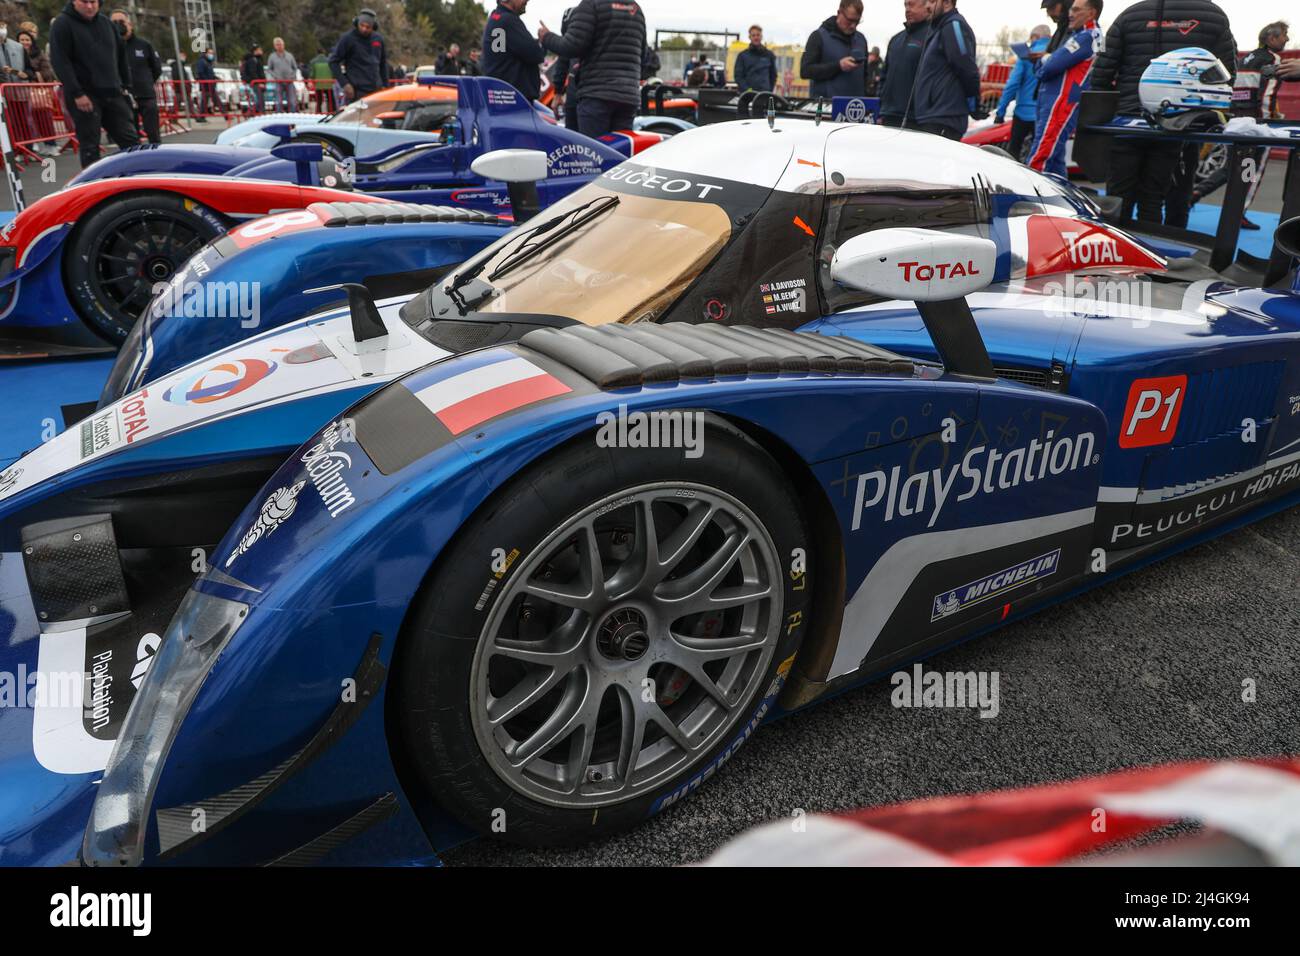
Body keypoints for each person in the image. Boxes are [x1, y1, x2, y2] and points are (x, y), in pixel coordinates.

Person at [1091, 0, 1237, 224]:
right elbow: (1226, 78)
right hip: (1182, 124)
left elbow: (1100, 76)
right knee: (1159, 199)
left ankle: (1115, 254)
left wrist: (1122, 107)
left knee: (1118, 200)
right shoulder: (1213, 14)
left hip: (1128, 121)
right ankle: (1162, 254)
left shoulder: (1130, 14)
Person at [1191, 21, 1291, 226]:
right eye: (1284, 35)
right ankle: (1239, 213)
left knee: (1231, 167)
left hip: (1236, 121)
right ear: (1271, 39)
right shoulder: (1273, 60)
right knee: (1252, 171)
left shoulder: (1246, 58)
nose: (1287, 39)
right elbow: (1266, 96)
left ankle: (1197, 191)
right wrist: (1269, 123)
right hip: (1256, 126)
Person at [48, 0, 137, 169]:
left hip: (113, 93)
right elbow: (60, 61)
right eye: (84, 2)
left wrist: (126, 85)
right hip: (85, 96)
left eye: (93, 2)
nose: (89, 6)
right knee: (90, 147)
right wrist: (77, 93)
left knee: (131, 140)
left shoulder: (106, 24)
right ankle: (93, 189)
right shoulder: (62, 24)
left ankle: (140, 178)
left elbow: (121, 56)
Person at [538, 0, 646, 139]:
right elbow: (643, 55)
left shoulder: (591, 4)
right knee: (620, 155)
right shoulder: (636, 8)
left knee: (592, 155)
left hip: (597, 95)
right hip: (628, 97)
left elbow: (571, 46)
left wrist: (546, 37)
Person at [1026, 0, 1102, 176]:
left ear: (1091, 13)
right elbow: (1048, 65)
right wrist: (1046, 59)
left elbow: (1050, 67)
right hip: (1054, 100)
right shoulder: (1081, 34)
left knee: (1040, 156)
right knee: (1056, 160)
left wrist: (1044, 58)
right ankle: (1062, 201)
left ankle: (1026, 199)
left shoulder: (1087, 36)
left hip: (1061, 102)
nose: (1070, 14)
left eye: (1076, 10)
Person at [911, 0, 981, 140]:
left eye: (932, 1)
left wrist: (974, 105)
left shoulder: (954, 26)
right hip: (933, 117)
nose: (927, 6)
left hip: (944, 120)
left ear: (947, 3)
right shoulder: (940, 28)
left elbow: (966, 68)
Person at [995, 25, 1051, 159]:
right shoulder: (1054, 55)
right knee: (1040, 153)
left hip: (1022, 113)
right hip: (1044, 114)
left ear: (1034, 37)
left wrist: (1001, 111)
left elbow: (1012, 85)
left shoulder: (1026, 56)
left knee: (1013, 152)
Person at [109, 10, 160, 144]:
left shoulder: (143, 45)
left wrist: (147, 82)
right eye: (114, 23)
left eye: (121, 22)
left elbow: (156, 68)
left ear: (129, 24)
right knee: (131, 137)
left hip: (146, 96)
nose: (118, 25)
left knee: (153, 134)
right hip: (124, 98)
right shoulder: (109, 47)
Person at [879, 0, 932, 128]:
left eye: (912, 4)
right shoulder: (896, 39)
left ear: (927, 6)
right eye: (906, 5)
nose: (908, 9)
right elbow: (884, 77)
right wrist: (881, 106)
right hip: (888, 115)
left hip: (915, 119)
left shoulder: (933, 37)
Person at [800, 1, 868, 99]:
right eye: (850, 20)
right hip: (826, 107)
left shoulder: (861, 40)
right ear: (839, 13)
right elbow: (805, 71)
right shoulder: (818, 36)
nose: (853, 25)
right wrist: (838, 66)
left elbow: (865, 76)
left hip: (855, 108)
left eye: (857, 21)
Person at [482, 0, 546, 103]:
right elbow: (536, 54)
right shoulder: (509, 20)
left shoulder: (496, 17)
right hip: (514, 99)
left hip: (501, 96)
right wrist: (544, 40)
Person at [330, 9, 388, 104]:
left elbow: (383, 64)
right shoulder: (348, 39)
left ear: (373, 27)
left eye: (368, 27)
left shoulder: (378, 39)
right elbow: (333, 62)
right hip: (356, 92)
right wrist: (345, 84)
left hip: (376, 91)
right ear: (357, 23)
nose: (364, 29)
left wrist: (385, 86)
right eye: (362, 25)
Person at [734, 24, 777, 93]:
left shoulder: (769, 55)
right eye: (753, 35)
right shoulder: (742, 55)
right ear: (750, 37)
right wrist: (748, 91)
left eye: (758, 35)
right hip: (747, 96)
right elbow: (738, 77)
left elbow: (773, 76)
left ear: (761, 36)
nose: (756, 37)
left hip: (764, 95)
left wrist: (769, 91)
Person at [267, 37, 299, 112]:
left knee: (292, 101)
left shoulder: (290, 55)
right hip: (278, 82)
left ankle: (293, 117)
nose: (279, 46)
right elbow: (269, 69)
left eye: (280, 44)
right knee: (278, 102)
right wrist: (275, 76)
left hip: (289, 81)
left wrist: (292, 76)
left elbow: (295, 67)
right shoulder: (272, 57)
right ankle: (279, 117)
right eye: (277, 45)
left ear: (283, 45)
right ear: (274, 46)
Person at [193, 46, 219, 120]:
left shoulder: (208, 62)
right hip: (206, 85)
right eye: (210, 53)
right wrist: (207, 81)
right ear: (205, 53)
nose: (211, 54)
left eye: (212, 53)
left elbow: (210, 73)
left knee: (210, 100)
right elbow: (201, 73)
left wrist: (215, 77)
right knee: (205, 101)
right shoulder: (202, 62)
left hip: (210, 84)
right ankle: (201, 116)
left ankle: (202, 116)